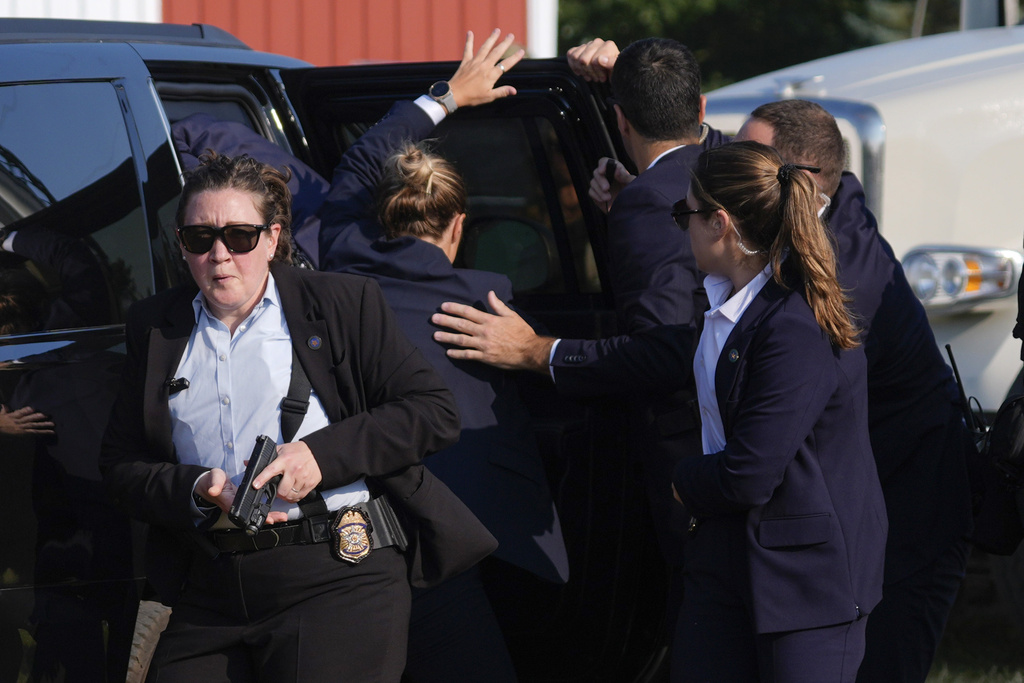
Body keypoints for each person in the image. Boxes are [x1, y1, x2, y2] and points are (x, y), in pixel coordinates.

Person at [99, 152, 496, 683]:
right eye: (200, 238)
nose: (220, 255)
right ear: (181, 243)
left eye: (239, 236)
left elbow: (430, 412)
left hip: (335, 572)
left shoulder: (339, 304)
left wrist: (319, 456)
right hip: (212, 582)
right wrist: (195, 488)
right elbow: (121, 464)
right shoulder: (155, 327)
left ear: (271, 237)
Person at [430, 37, 728, 626]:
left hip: (693, 465)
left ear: (618, 118)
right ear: (699, 107)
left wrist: (536, 351)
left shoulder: (650, 203)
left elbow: (665, 351)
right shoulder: (738, 170)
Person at [317, 30, 567, 683]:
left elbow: (361, 162)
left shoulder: (339, 264)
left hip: (360, 533)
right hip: (469, 536)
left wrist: (447, 96)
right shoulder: (488, 302)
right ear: (459, 228)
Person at [734, 100, 973, 683]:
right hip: (878, 506)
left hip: (913, 518)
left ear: (803, 180)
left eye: (749, 163)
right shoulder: (824, 215)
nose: (734, 173)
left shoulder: (840, 274)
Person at [670, 140, 887, 682]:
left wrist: (682, 481)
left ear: (719, 222)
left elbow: (749, 474)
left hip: (804, 585)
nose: (682, 227)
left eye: (685, 214)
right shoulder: (728, 303)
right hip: (727, 561)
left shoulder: (791, 324)